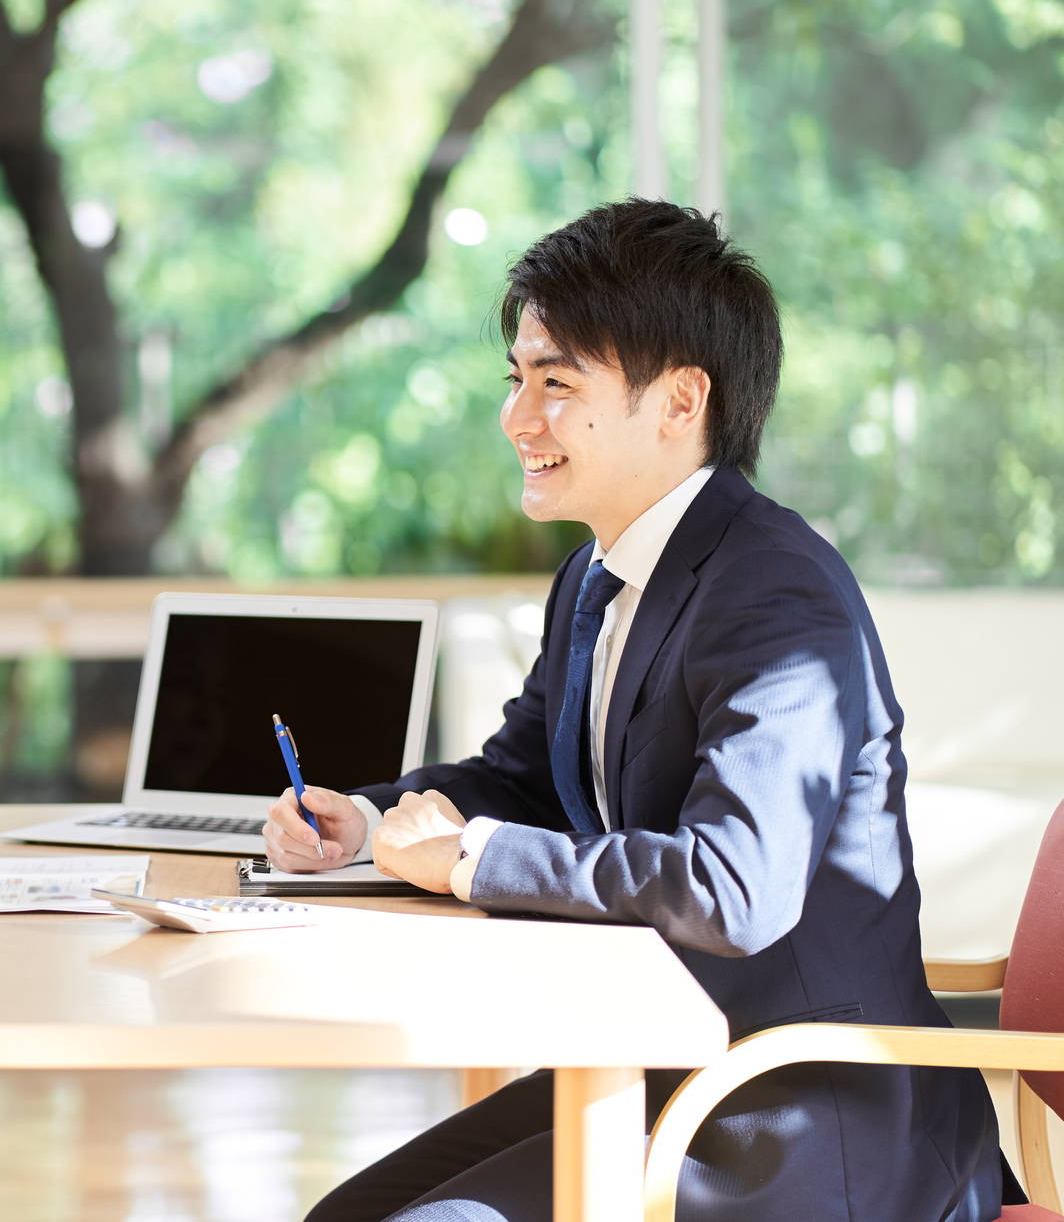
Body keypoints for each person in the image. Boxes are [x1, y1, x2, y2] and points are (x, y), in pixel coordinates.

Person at [264, 201, 1005, 1222]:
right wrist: (362, 819)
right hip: (662, 1063)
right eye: (515, 378)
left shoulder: (774, 595)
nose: (517, 417)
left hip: (794, 1112)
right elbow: (523, 776)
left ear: (678, 400)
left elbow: (732, 886)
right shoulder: (594, 577)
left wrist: (472, 856)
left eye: (555, 382)